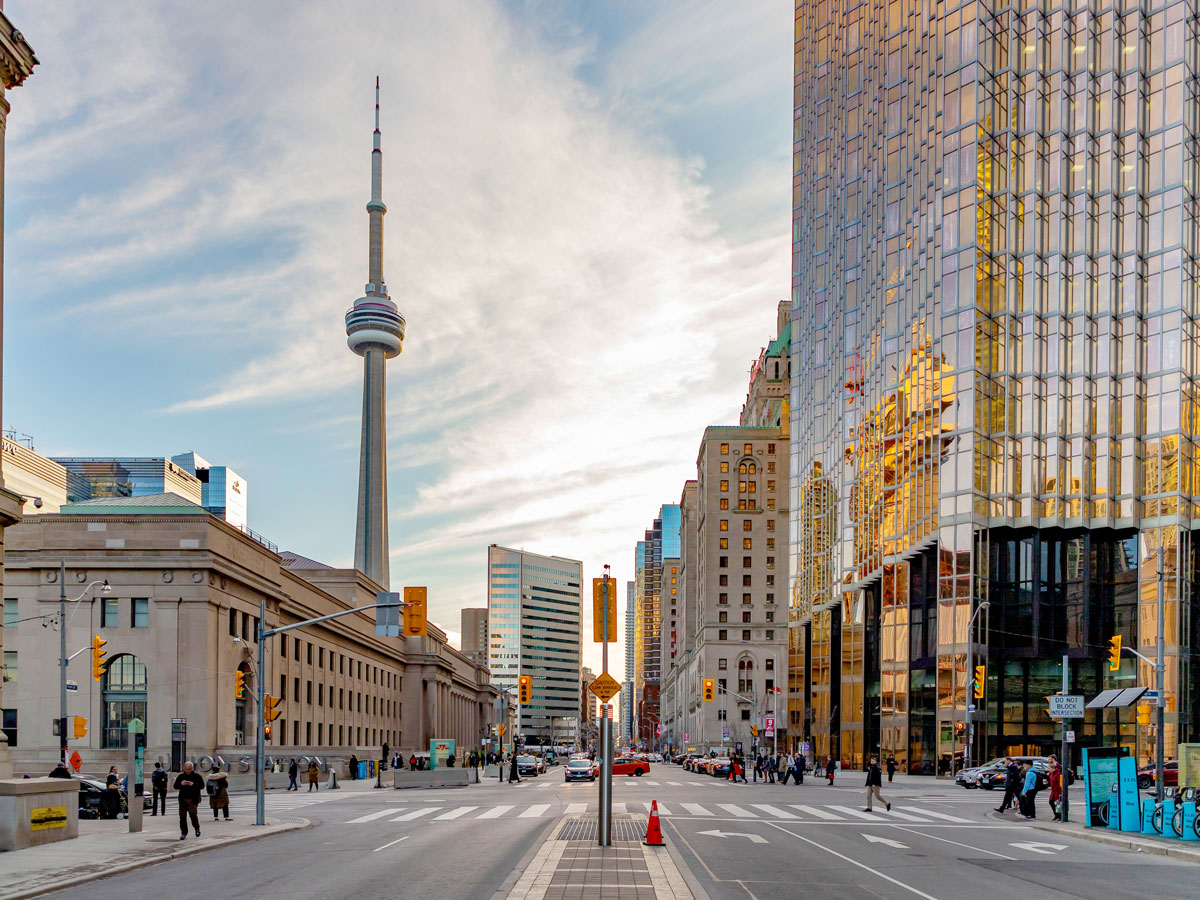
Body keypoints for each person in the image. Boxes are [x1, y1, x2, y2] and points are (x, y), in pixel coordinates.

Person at [174, 761, 204, 840]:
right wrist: (181, 784)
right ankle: (184, 833)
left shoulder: (197, 776)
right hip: (183, 799)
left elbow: (202, 786)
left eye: (189, 769)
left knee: (193, 815)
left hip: (193, 799)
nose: (187, 771)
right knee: (182, 817)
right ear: (184, 768)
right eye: (186, 769)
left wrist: (193, 784)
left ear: (192, 768)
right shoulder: (181, 776)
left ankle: (197, 829)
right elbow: (175, 786)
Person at [1047, 756, 1063, 821]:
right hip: (1053, 791)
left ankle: (1059, 815)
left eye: (1049, 768)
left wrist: (1060, 793)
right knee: (1051, 802)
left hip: (1057, 791)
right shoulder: (1051, 774)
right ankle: (1056, 814)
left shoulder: (1057, 774)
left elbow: (1060, 784)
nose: (1048, 769)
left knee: (1058, 803)